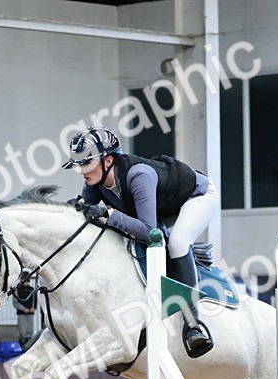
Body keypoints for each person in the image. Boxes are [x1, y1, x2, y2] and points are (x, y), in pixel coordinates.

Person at [63, 126, 218, 357]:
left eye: (86, 163)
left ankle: (194, 323)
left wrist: (109, 215)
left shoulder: (139, 175)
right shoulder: (95, 181)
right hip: (161, 202)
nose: (81, 170)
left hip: (196, 196)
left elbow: (148, 231)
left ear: (108, 161)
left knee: (177, 242)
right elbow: (82, 211)